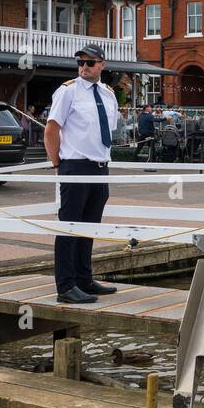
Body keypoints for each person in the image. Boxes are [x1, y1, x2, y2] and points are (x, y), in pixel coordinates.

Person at [43, 44, 120, 305]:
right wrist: (58, 165)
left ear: (102, 64)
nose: (84, 67)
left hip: (100, 167)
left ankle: (84, 279)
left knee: (88, 227)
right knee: (68, 227)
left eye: (90, 62)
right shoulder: (68, 91)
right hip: (75, 165)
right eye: (80, 62)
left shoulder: (108, 94)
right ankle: (65, 286)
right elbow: (52, 129)